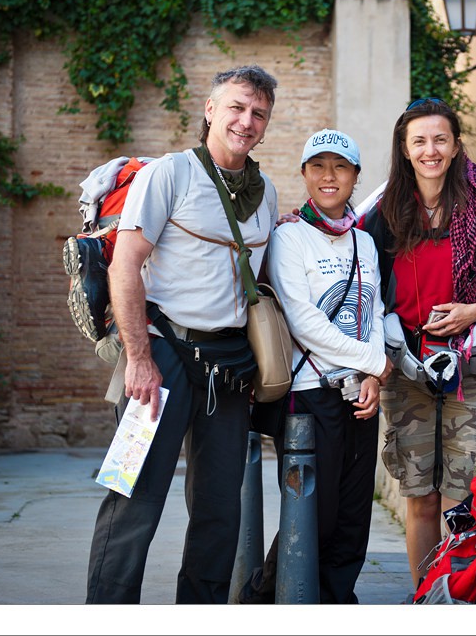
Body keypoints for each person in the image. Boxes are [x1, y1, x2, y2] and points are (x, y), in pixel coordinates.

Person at [85, 64, 280, 603]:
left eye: (258, 113)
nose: (246, 120)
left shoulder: (266, 194)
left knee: (221, 512)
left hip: (229, 368)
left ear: (266, 125)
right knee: (132, 498)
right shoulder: (168, 174)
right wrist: (139, 359)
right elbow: (125, 267)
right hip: (161, 355)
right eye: (236, 107)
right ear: (211, 110)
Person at [358, 98, 476, 589]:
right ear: (405, 151)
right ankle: (426, 601)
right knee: (420, 497)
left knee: (460, 496)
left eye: (439, 139)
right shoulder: (384, 212)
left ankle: (459, 600)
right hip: (407, 367)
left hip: (471, 368)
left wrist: (471, 311)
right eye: (419, 141)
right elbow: (359, 275)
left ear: (454, 147)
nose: (430, 150)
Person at [262, 128, 393, 603]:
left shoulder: (365, 242)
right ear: (304, 174)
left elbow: (372, 312)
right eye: (318, 166)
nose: (329, 176)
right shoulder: (289, 237)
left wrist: (373, 374)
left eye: (340, 167)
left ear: (356, 176)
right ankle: (272, 599)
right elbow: (303, 320)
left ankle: (339, 602)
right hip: (310, 392)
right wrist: (376, 363)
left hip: (359, 391)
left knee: (355, 515)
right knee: (316, 513)